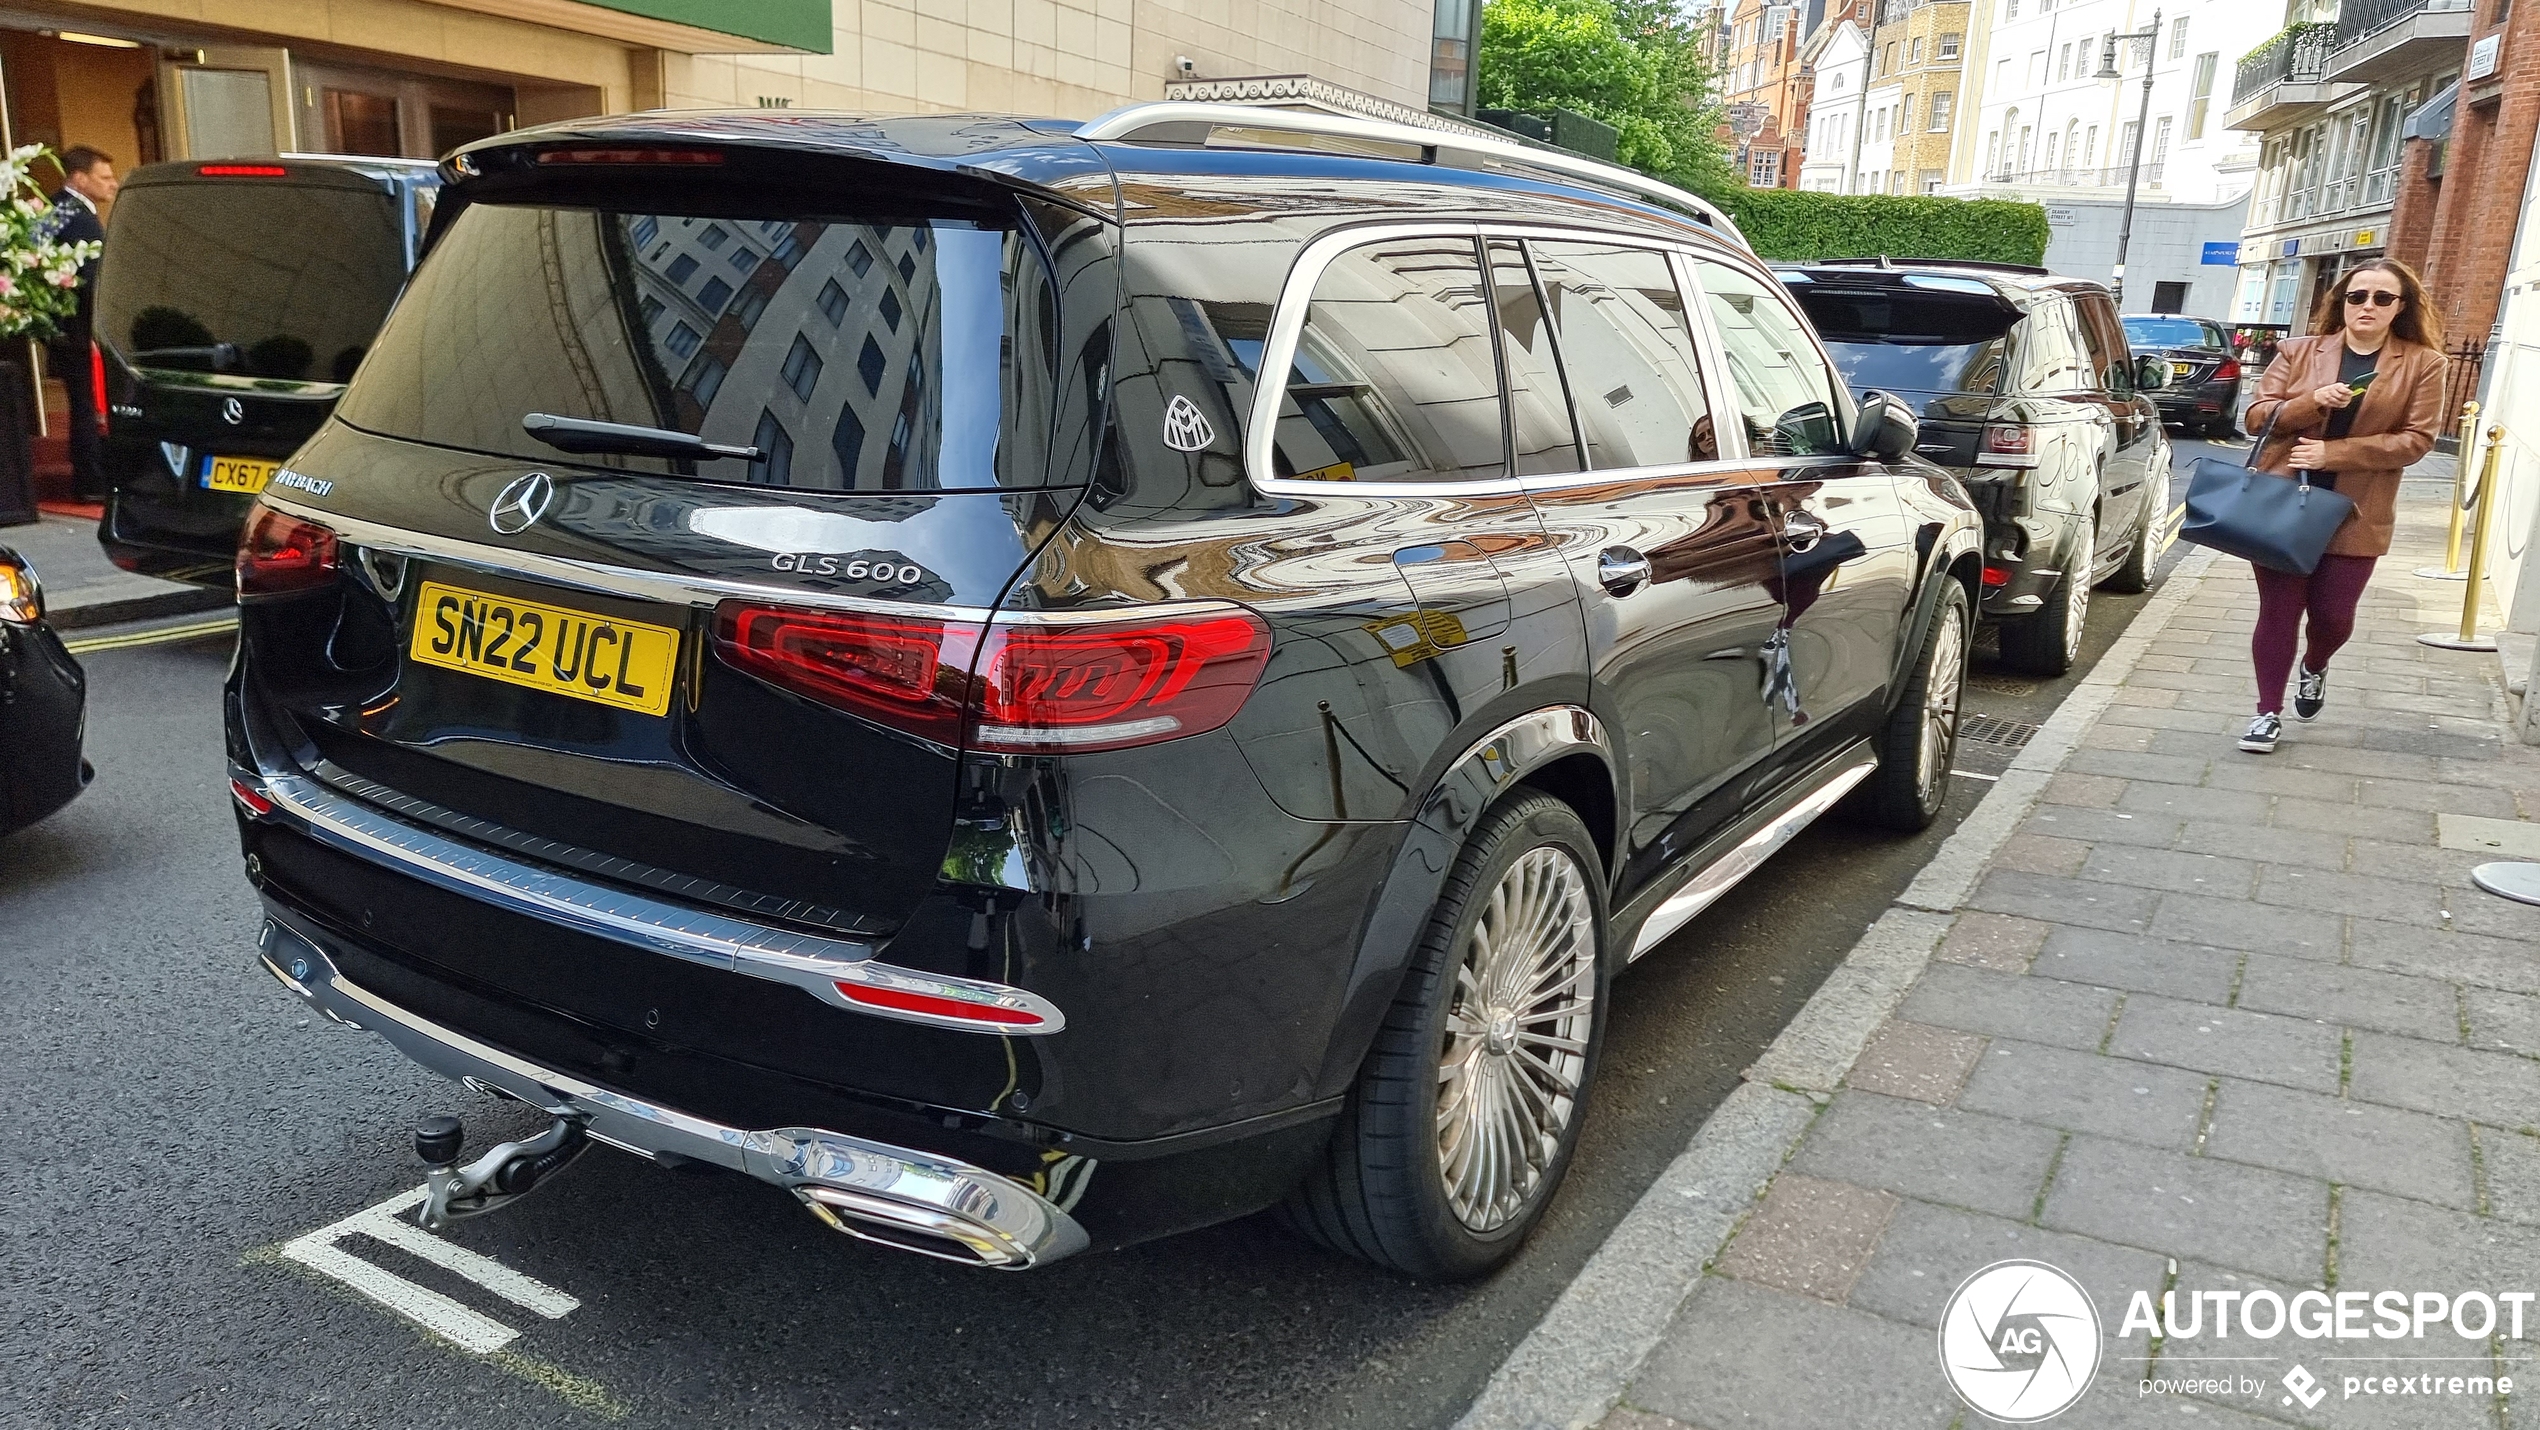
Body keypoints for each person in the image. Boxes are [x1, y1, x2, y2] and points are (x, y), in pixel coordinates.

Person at [2233, 259, 2446, 754]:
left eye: (2382, 298)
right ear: (2342, 301)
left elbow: (2418, 440)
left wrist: (2336, 453)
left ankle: (2316, 663)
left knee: (2333, 616)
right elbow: (2256, 416)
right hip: (2285, 502)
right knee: (2279, 611)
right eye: (2357, 295)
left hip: (2356, 509)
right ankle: (2267, 712)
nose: (2367, 306)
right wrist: (2309, 402)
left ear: (2401, 307)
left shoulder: (2423, 364)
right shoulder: (2299, 351)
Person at [46, 146, 114, 501]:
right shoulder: (82, 218)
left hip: (61, 325)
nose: (113, 185)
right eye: (104, 177)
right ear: (79, 177)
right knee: (87, 405)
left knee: (81, 402)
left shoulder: (54, 208)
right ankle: (91, 481)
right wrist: (94, 330)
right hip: (81, 327)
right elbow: (93, 279)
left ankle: (87, 477)